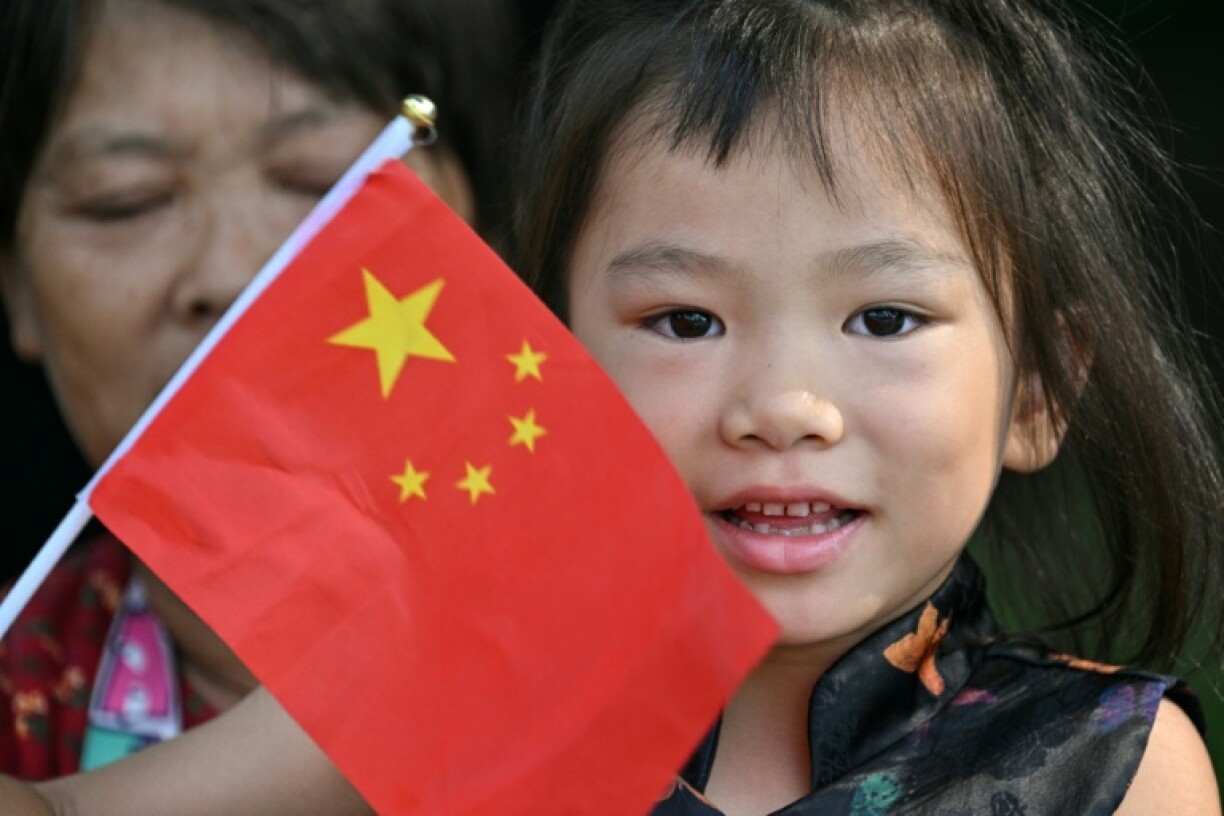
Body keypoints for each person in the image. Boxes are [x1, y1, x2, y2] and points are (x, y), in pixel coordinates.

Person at [2, 0, 1222, 812]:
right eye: (685, 322)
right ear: (545, 355)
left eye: (885, 321)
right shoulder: (454, 686)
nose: (783, 406)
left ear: (1042, 390)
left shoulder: (1112, 766)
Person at [0, 0, 518, 780]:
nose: (233, 276)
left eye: (321, 181)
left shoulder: (687, 676)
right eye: (125, 199)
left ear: (489, 229)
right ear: (16, 290)